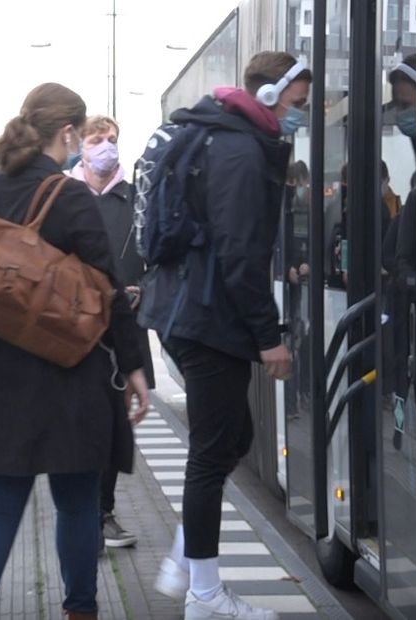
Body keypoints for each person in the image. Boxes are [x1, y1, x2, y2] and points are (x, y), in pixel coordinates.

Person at [0, 82, 151, 620]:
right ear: (67, 133)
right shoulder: (72, 196)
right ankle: (80, 609)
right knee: (78, 502)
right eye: (83, 137)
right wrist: (133, 366)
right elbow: (108, 290)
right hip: (67, 371)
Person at [137, 51, 309, 620]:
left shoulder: (220, 135)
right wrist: (270, 337)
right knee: (213, 453)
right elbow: (240, 255)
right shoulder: (237, 149)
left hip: (190, 311)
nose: (301, 117)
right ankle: (205, 596)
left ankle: (186, 564)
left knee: (233, 438)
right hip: (206, 319)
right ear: (269, 96)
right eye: (299, 105)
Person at [68, 114, 155, 550]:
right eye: (98, 139)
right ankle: (81, 517)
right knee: (80, 426)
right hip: (75, 330)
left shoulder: (136, 200)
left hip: (125, 330)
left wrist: (145, 290)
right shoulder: (65, 195)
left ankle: (103, 513)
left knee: (115, 428)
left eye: (114, 139)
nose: (107, 147)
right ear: (80, 145)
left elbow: (158, 256)